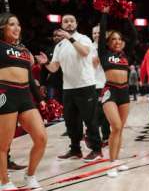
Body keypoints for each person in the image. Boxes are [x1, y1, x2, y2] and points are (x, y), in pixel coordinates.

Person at [38, 14, 103, 162]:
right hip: (68, 88)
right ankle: (75, 150)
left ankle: (97, 149)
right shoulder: (59, 46)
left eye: (71, 21)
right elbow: (54, 68)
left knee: (90, 119)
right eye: (65, 22)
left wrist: (70, 38)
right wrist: (46, 62)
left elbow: (85, 52)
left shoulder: (84, 38)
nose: (68, 23)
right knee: (71, 121)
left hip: (85, 85)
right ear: (62, 25)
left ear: (76, 24)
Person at [0, 13, 47, 190]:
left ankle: (30, 175)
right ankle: (4, 182)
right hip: (5, 95)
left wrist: (41, 100)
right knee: (3, 144)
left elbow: (29, 78)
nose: (16, 28)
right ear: (2, 27)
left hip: (25, 96)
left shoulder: (25, 51)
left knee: (41, 138)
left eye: (18, 24)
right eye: (11, 24)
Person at [97, 6, 138, 177]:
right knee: (116, 126)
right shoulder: (104, 53)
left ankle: (116, 160)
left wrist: (127, 17)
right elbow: (102, 33)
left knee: (120, 129)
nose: (117, 41)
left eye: (119, 39)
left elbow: (135, 37)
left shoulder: (124, 54)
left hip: (124, 92)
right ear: (108, 42)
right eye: (113, 39)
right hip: (110, 91)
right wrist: (105, 13)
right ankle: (111, 163)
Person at [91, 24, 111, 145]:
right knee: (94, 113)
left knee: (105, 113)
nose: (97, 35)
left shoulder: (109, 47)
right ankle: (94, 136)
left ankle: (106, 137)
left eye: (99, 33)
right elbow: (92, 64)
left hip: (105, 83)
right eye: (94, 33)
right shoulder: (89, 47)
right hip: (92, 83)